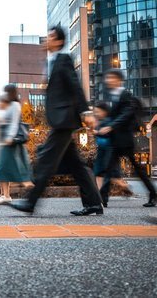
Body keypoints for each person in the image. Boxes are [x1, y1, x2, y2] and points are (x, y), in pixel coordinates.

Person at [9, 26, 103, 216]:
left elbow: (75, 86)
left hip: (65, 120)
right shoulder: (50, 61)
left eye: (51, 37)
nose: (47, 39)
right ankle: (94, 203)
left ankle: (30, 202)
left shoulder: (63, 59)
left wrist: (85, 111)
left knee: (46, 161)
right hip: (61, 120)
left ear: (59, 41)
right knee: (77, 166)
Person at [98, 69, 156, 207]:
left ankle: (153, 194)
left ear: (118, 80)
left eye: (111, 77)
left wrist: (111, 126)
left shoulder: (126, 95)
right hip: (116, 140)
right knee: (108, 169)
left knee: (137, 169)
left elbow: (126, 114)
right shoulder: (113, 96)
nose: (108, 80)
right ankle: (102, 199)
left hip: (125, 140)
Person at [0, 87, 32, 204]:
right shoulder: (10, 105)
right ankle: (6, 195)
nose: (4, 94)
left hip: (9, 141)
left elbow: (14, 123)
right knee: (3, 168)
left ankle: (23, 186)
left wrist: (10, 137)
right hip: (5, 141)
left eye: (5, 92)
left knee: (2, 168)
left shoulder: (15, 105)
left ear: (10, 93)